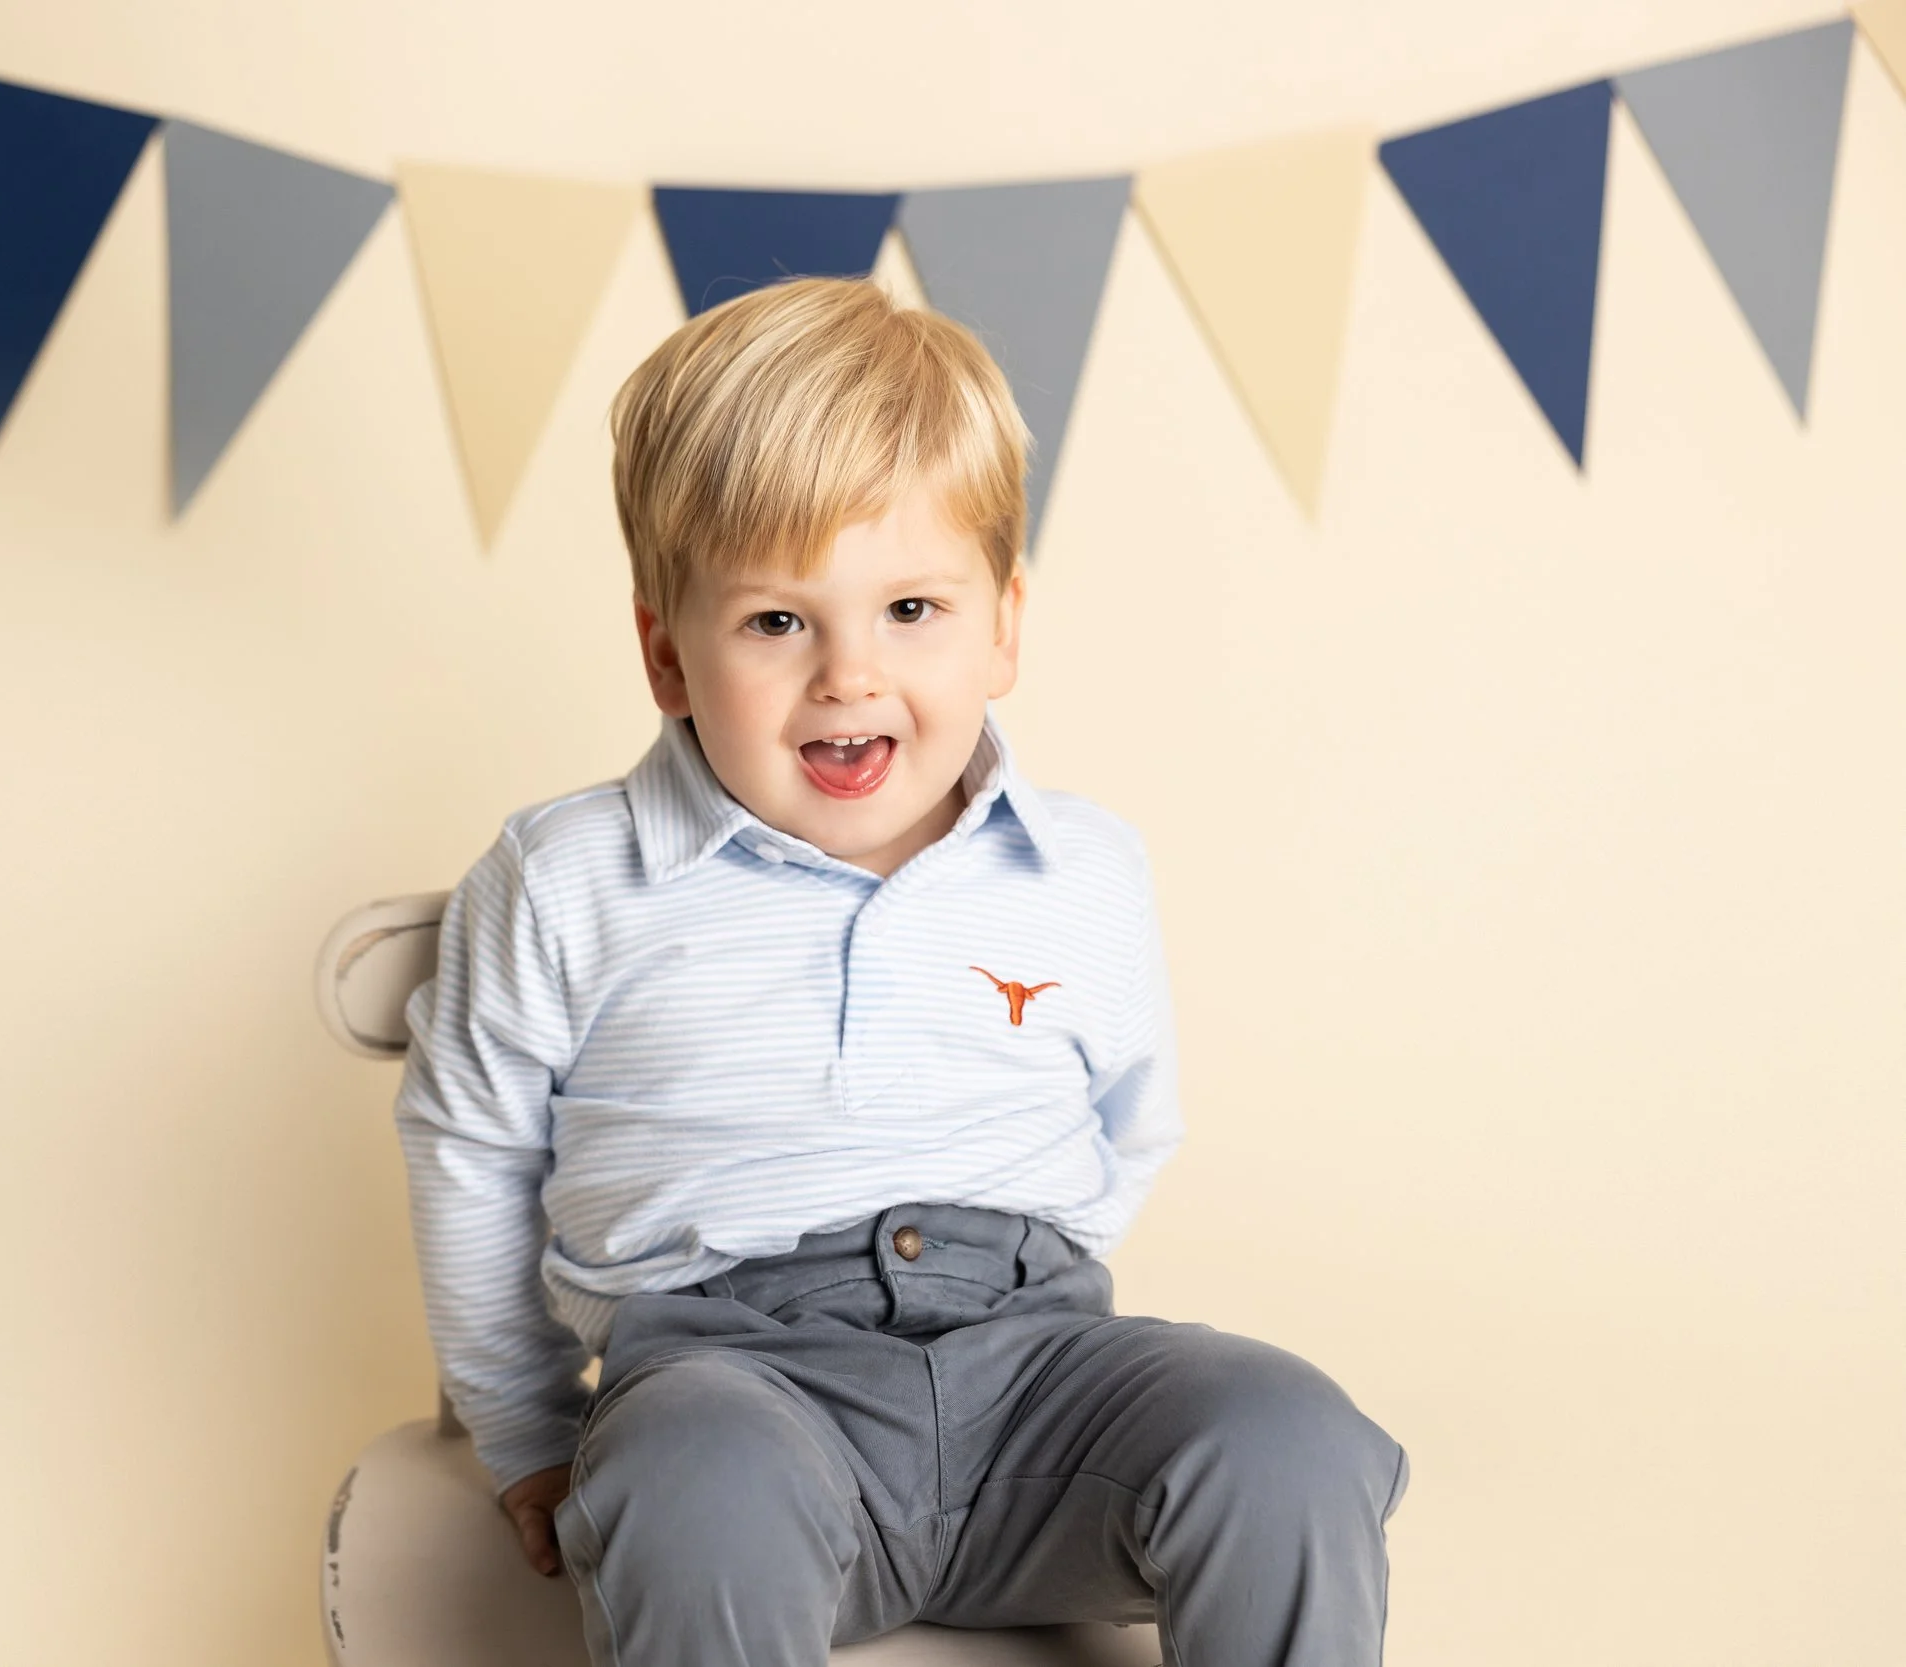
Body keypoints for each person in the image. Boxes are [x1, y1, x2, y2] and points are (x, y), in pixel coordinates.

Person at [393, 276, 1409, 1667]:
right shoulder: (573, 874)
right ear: (666, 651)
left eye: (912, 606)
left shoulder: (1082, 872)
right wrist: (523, 1421)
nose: (848, 674)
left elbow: (1126, 1124)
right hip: (738, 1375)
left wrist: (1028, 1266)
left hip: (1044, 1377)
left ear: (1003, 621)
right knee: (692, 1480)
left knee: (1285, 1429)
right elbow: (471, 1150)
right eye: (775, 622)